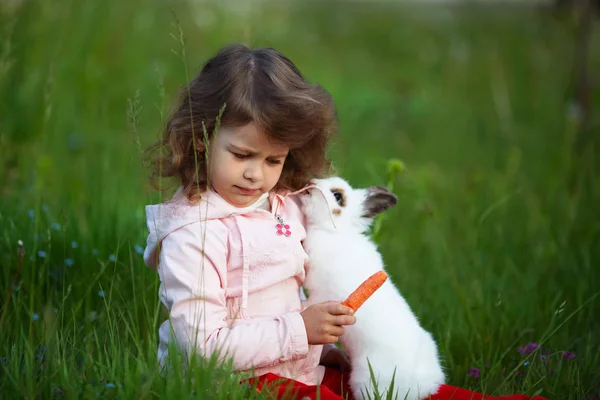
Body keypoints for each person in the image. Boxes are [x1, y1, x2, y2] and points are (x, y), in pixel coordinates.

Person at [143, 43, 548, 400]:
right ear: (201, 138)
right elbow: (200, 346)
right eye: (241, 155)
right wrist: (300, 330)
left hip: (297, 369)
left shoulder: (280, 204)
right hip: (229, 384)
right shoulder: (194, 234)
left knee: (420, 392)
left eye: (273, 160)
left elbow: (280, 294)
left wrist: (320, 342)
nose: (256, 175)